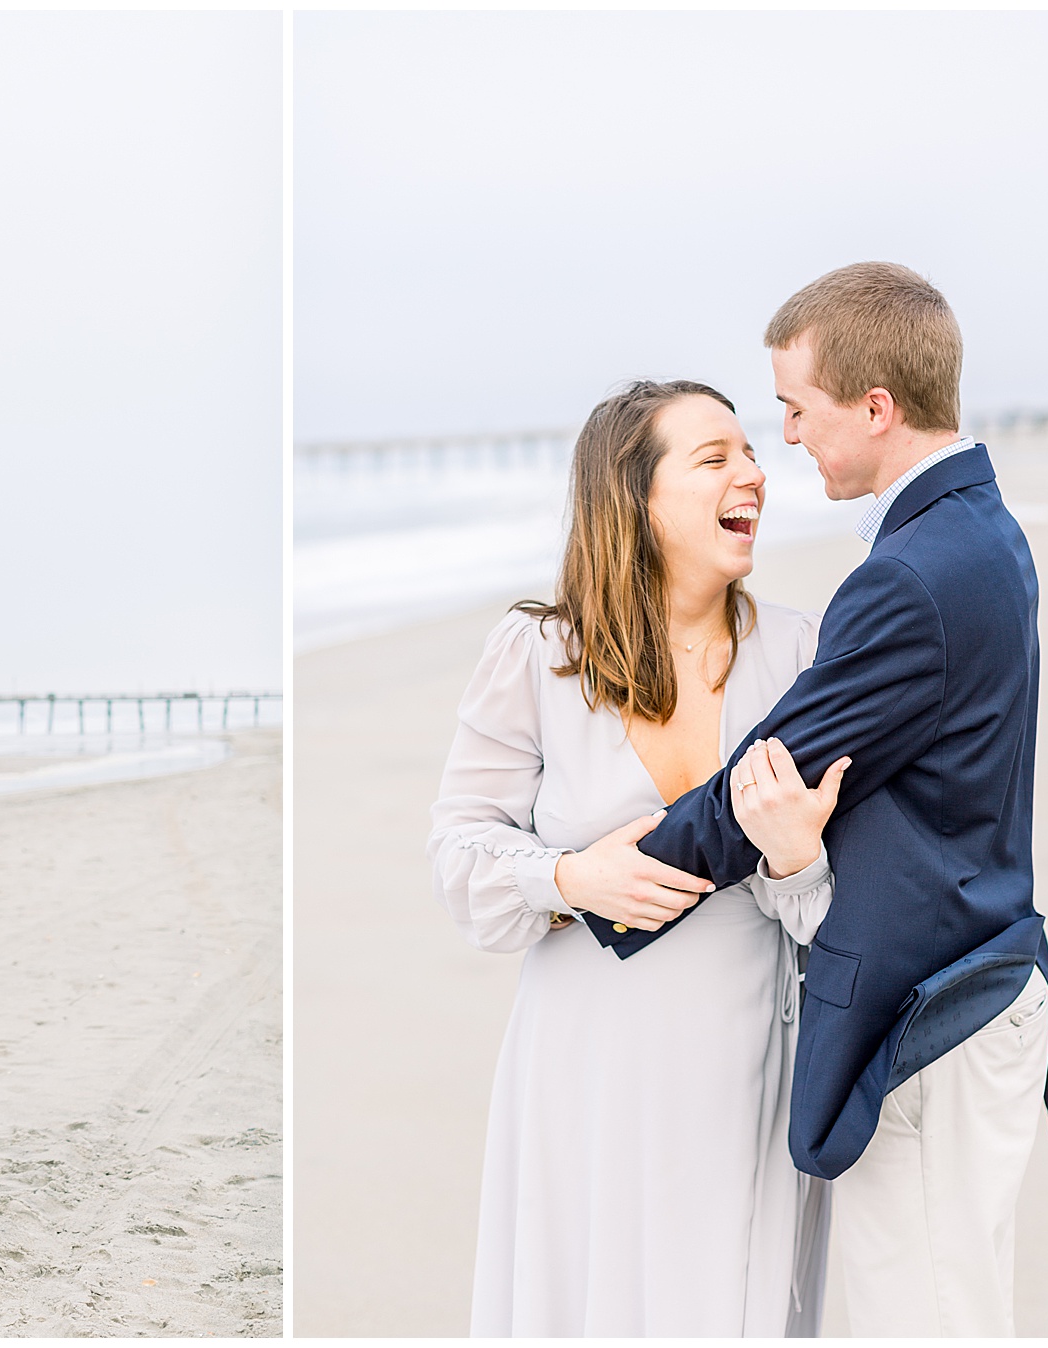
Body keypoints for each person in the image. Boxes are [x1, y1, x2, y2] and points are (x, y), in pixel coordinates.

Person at [564, 263, 1048, 1336]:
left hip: (941, 1014)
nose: (785, 436)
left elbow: (765, 778)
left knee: (922, 1317)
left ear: (874, 408)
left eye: (794, 408)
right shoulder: (979, 529)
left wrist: (599, 885)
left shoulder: (913, 574)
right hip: (979, 983)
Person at [429, 379, 851, 1336]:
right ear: (635, 498)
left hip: (744, 1066)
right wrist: (571, 879)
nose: (754, 474)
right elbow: (458, 851)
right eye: (715, 459)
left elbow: (834, 905)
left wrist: (795, 863)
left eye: (751, 454)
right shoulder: (539, 654)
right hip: (583, 1067)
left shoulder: (801, 653)